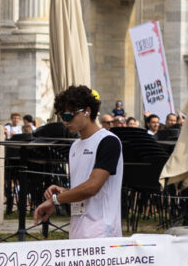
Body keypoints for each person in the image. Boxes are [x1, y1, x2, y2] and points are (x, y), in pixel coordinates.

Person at [36, 86, 124, 239]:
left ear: (87, 111)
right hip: (78, 229)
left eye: (68, 115)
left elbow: (92, 187)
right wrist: (64, 192)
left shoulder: (108, 141)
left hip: (103, 231)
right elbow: (83, 187)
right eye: (62, 116)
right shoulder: (75, 146)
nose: (65, 121)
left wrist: (55, 200)